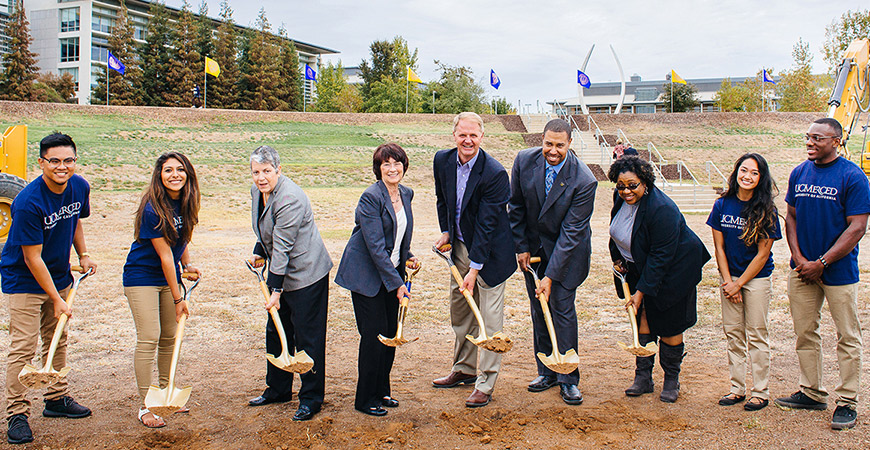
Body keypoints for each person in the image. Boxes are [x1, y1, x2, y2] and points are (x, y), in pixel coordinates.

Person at [1, 133, 98, 445]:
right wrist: (56, 299)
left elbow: (75, 221)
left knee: (58, 340)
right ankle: (16, 413)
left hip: (58, 274)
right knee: (24, 347)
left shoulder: (79, 185)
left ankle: (56, 399)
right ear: (40, 163)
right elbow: (31, 258)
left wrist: (82, 255)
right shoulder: (28, 202)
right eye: (54, 161)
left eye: (68, 160)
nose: (62, 167)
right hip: (25, 280)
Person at [774, 118, 870, 430]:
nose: (810, 143)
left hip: (838, 271)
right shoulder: (800, 172)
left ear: (836, 142)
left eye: (818, 138)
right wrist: (800, 258)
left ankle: (847, 401)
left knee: (848, 337)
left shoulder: (853, 177)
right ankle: (812, 392)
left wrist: (823, 263)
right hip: (802, 270)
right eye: (808, 137)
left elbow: (857, 227)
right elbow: (791, 216)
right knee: (805, 332)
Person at [508, 119, 597, 405]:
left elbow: (572, 234)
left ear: (570, 144)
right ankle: (546, 370)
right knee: (538, 308)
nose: (553, 150)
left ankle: (568, 378)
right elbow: (516, 205)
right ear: (542, 139)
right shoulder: (524, 160)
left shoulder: (584, 180)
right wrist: (521, 247)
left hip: (568, 253)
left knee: (561, 308)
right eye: (548, 143)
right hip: (534, 251)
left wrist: (550, 276)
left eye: (560, 145)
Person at [608, 156, 710, 403]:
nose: (626, 191)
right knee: (643, 318)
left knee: (669, 322)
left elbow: (661, 256)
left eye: (632, 185)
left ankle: (671, 380)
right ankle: (643, 378)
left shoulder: (661, 209)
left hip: (675, 270)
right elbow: (621, 233)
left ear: (645, 182)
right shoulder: (620, 199)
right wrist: (620, 260)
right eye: (620, 185)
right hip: (641, 268)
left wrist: (640, 292)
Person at [432, 112, 516, 407]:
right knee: (462, 312)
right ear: (454, 135)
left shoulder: (494, 172)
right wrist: (447, 231)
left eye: (474, 135)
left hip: (491, 254)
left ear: (482, 137)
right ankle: (463, 369)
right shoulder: (442, 160)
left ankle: (486, 382)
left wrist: (474, 269)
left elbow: (487, 224)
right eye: (462, 134)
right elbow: (443, 199)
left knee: (489, 321)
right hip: (460, 247)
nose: (468, 140)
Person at [247, 145, 333, 422]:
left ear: (278, 170)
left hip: (307, 274)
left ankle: (311, 398)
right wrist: (259, 251)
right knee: (276, 331)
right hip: (282, 271)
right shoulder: (257, 192)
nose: (261, 178)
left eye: (267, 171)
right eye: (256, 172)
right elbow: (266, 230)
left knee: (307, 338)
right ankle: (278, 389)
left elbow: (283, 246)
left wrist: (275, 291)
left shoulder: (290, 197)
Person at [335, 143, 420, 417]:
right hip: (366, 275)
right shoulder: (370, 197)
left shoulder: (406, 194)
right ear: (378, 169)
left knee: (391, 334)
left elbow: (398, 234)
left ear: (404, 166)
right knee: (374, 337)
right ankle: (365, 398)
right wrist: (397, 285)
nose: (392, 168)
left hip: (390, 272)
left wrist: (407, 255)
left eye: (397, 163)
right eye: (386, 164)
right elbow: (374, 245)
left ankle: (382, 390)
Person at [122, 152, 202, 428]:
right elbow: (165, 256)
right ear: (159, 175)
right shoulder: (152, 208)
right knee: (149, 337)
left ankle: (166, 396)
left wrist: (188, 263)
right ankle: (146, 405)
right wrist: (179, 297)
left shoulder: (186, 201)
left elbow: (181, 239)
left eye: (180, 170)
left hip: (169, 277)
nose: (175, 175)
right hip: (142, 277)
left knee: (169, 337)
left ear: (188, 174)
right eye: (168, 170)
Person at [707, 153, 781, 411]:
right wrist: (728, 282)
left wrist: (739, 284)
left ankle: (760, 391)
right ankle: (737, 388)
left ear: (761, 178)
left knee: (757, 334)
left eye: (754, 173)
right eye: (743, 170)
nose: (747, 176)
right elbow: (719, 247)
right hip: (729, 278)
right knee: (733, 334)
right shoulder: (721, 205)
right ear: (736, 172)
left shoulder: (766, 210)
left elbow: (763, 254)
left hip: (756, 280)